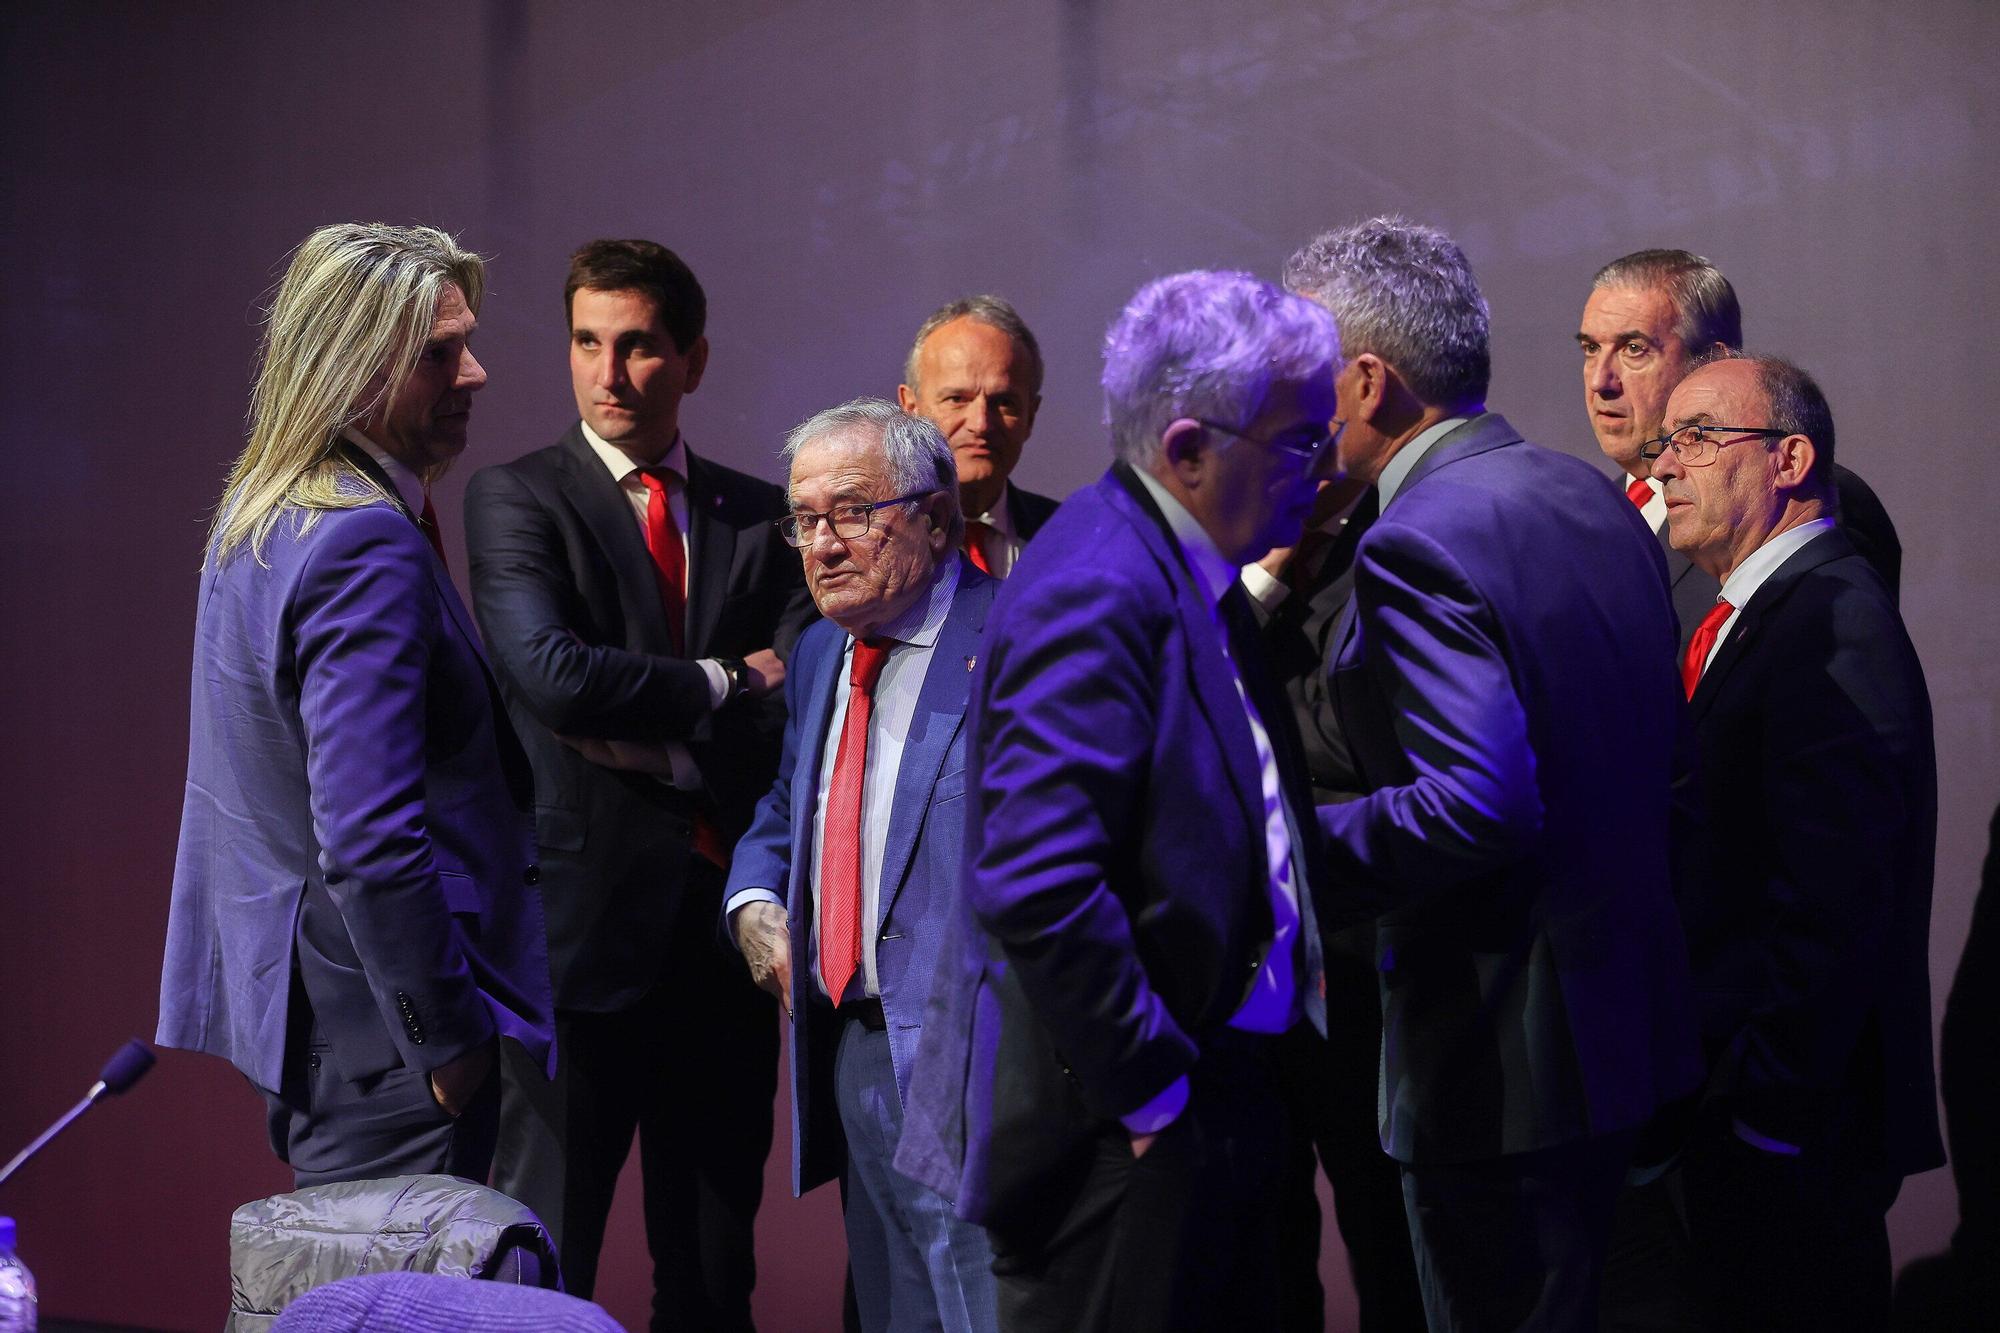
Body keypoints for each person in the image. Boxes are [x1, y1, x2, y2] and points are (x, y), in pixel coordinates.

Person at [898, 269, 1341, 1332]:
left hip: (1215, 1090)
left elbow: (1232, 820)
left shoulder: (1190, 569)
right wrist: (1152, 1096)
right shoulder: (1100, 581)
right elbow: (1039, 882)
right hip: (1118, 1132)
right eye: (1295, 442)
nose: (1322, 473)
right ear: (1187, 447)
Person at [1287, 217, 1701, 1331]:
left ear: (1364, 380)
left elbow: (1477, 802)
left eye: (1296, 369)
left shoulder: (1415, 539)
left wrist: (1278, 844)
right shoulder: (1584, 499)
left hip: (1495, 1072)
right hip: (1622, 1045)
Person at [157, 222, 554, 1188]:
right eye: (439, 352)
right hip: (392, 1046)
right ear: (351, 365)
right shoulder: (359, 540)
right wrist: (448, 1041)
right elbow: (369, 840)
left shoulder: (266, 506)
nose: (476, 374)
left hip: (322, 1026)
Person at [463, 239, 812, 1329]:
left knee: (712, 1275)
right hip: (576, 955)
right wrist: (717, 681)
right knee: (539, 1267)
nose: (609, 373)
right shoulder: (516, 497)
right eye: (585, 343)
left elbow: (801, 698)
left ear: (693, 359)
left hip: (720, 958)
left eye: (638, 347)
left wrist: (655, 738)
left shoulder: (764, 516)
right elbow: (554, 678)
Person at [1646, 352, 1942, 1329]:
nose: (1663, 467)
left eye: (1695, 437)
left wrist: (1765, 1111)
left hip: (1788, 1136)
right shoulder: (1753, 612)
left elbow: (1838, 888)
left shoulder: (1830, 615)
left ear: (1787, 459)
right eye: (1663, 443)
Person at [724, 399, 999, 1333]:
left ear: (933, 515)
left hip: (974, 1064)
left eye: (852, 511)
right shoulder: (817, 653)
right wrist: (755, 903)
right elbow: (785, 805)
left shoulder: (1018, 645)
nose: (823, 544)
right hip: (851, 1049)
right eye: (804, 519)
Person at [1241, 475, 1424, 1329]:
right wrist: (1272, 566)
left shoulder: (1409, 534)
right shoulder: (1235, 543)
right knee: (1264, 1233)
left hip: (1368, 940)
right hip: (1256, 946)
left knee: (1388, 1224)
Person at [1576, 248, 1901, 651]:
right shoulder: (1588, 519)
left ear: (1713, 360)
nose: (1600, 381)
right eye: (1591, 348)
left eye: (1634, 349)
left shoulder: (1811, 498)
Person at [896, 295, 1059, 576]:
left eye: (1004, 402)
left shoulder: (1074, 538)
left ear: (1030, 416)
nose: (981, 424)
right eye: (957, 398)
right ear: (911, 407)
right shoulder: (869, 539)